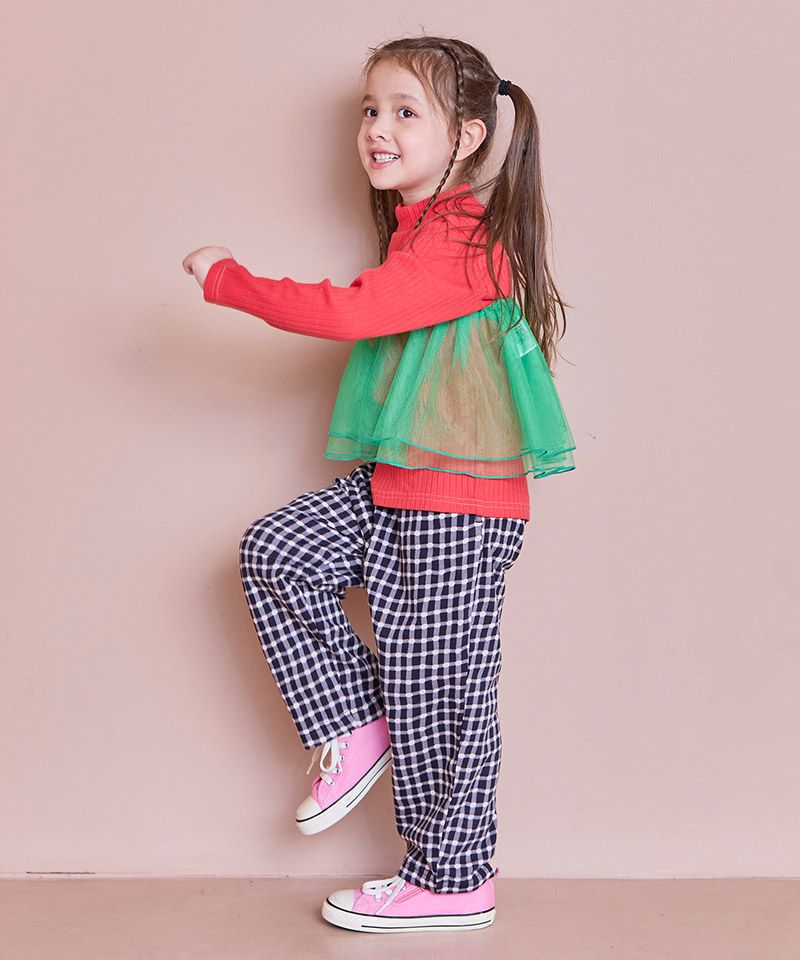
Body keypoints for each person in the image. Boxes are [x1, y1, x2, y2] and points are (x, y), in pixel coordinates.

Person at [182, 35, 576, 934]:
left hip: (456, 507)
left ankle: (451, 879)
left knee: (440, 698)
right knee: (277, 552)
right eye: (371, 110)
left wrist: (229, 279)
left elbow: (353, 313)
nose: (377, 129)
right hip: (397, 485)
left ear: (466, 136)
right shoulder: (420, 232)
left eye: (405, 112)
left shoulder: (465, 239)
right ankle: (358, 722)